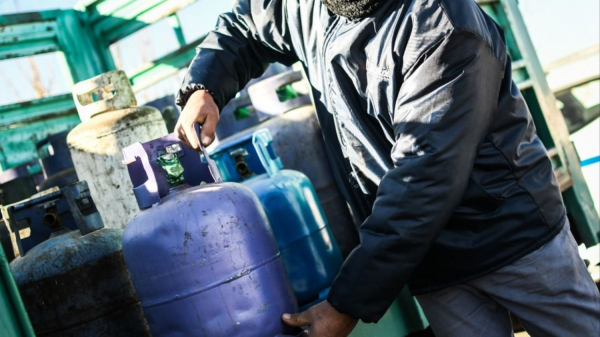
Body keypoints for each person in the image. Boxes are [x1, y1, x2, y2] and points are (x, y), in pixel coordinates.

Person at [174, 0, 600, 336]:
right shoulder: (308, 6)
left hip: (513, 240)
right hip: (431, 263)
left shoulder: (441, 25)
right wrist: (204, 86)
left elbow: (424, 181)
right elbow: (247, 25)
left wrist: (346, 305)